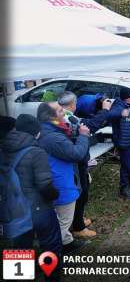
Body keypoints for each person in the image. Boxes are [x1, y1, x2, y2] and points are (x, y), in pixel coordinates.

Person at [1, 114, 63, 279]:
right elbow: (45, 185)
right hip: (38, 208)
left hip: (14, 208)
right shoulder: (36, 152)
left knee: (20, 248)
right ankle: (52, 277)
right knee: (51, 245)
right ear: (36, 132)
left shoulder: (3, 149)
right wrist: (55, 195)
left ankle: (19, 276)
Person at [37, 102, 90, 254]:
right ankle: (54, 252)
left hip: (60, 177)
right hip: (61, 182)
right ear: (51, 117)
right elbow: (76, 154)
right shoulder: (53, 137)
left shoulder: (50, 129)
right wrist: (83, 136)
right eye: (60, 110)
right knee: (63, 220)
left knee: (60, 217)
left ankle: (66, 242)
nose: (64, 112)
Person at [57, 91, 111, 239]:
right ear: (73, 104)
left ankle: (78, 220)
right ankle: (78, 227)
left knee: (83, 188)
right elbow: (89, 126)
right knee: (81, 192)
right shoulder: (67, 117)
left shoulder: (62, 115)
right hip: (76, 161)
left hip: (75, 159)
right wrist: (105, 110)